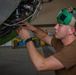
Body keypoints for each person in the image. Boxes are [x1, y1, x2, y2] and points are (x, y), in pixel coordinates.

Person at [17, 7, 76, 75]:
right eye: (57, 23)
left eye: (60, 25)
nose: (55, 27)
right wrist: (30, 27)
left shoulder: (73, 49)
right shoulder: (62, 41)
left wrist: (27, 39)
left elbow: (41, 65)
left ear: (71, 30)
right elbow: (44, 36)